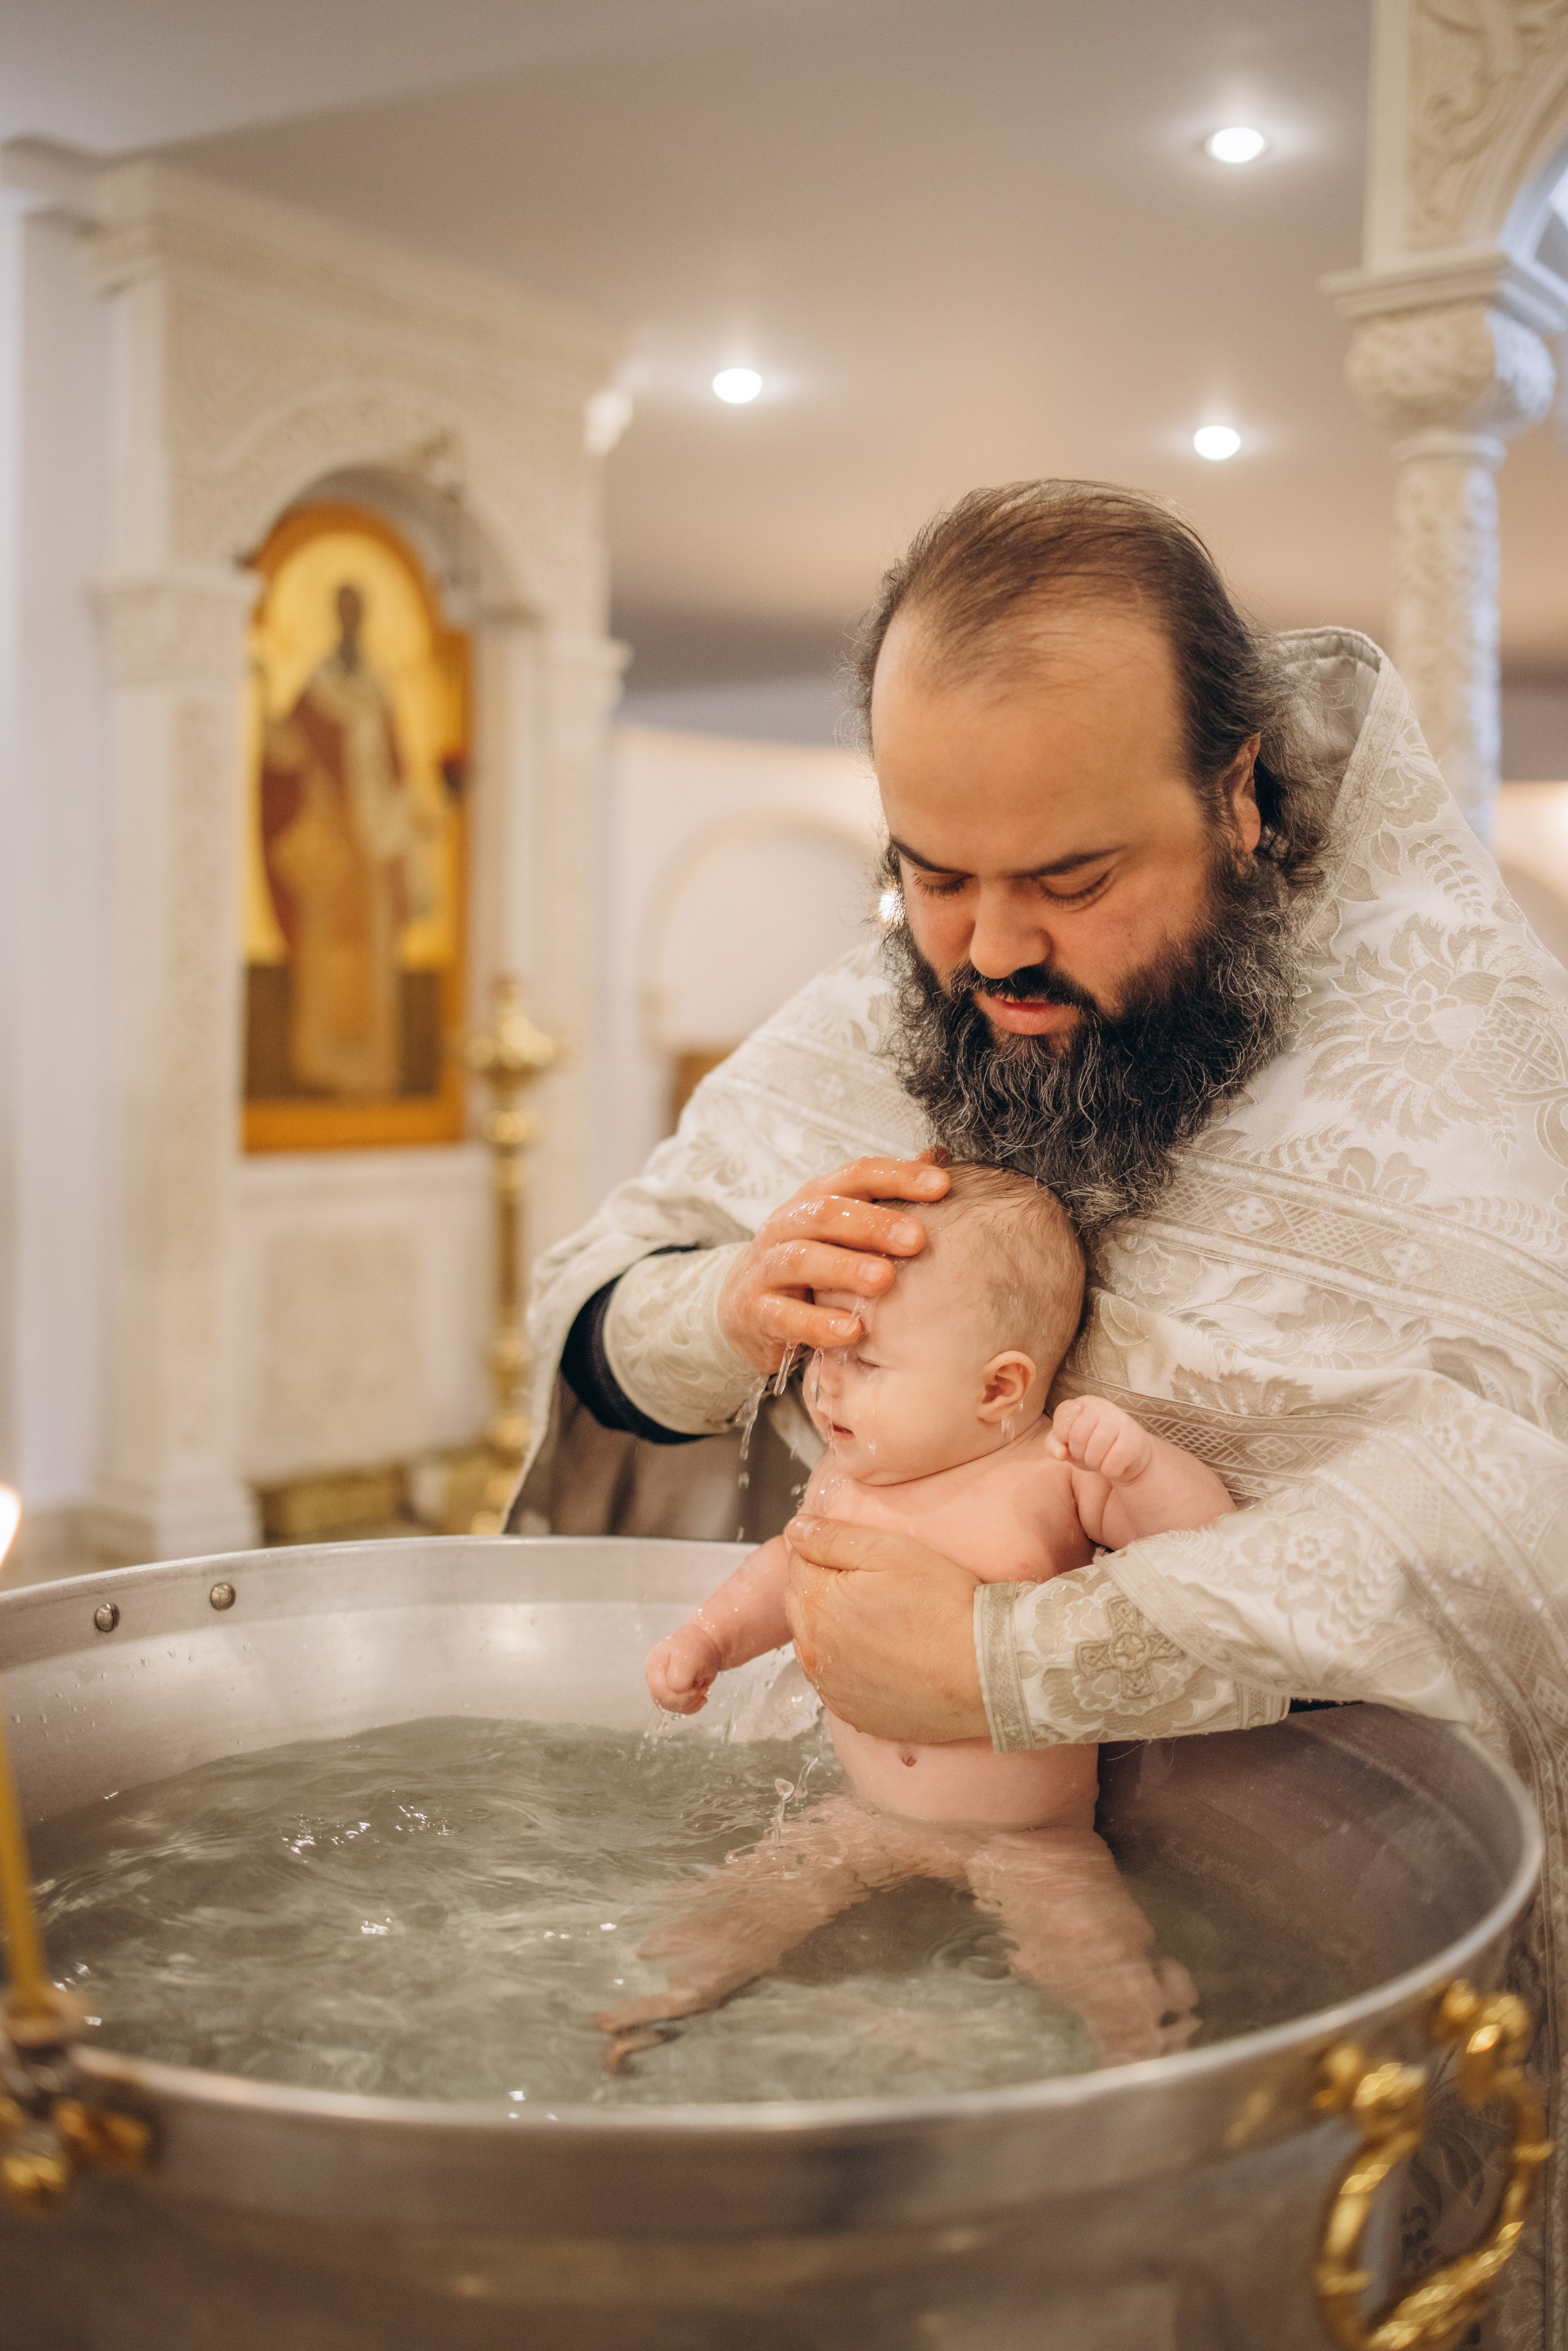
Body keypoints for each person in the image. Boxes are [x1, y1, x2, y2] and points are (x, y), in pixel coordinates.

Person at [515, 482, 1568, 2345]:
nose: (988, 950)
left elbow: (1502, 1526)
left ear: (1237, 795)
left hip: (1291, 1969)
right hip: (849, 1849)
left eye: (1072, 882)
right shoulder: (897, 990)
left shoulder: (1448, 1041)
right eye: (931, 871)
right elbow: (591, 1312)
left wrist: (1016, 1656)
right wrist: (730, 1297)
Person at [597, 1165, 1226, 2069]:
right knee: (735, 1906)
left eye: (866, 1364)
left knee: (1097, 1955)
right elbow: (788, 1567)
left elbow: (1210, 1554)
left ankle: (1147, 2069)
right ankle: (654, 1999)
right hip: (863, 1814)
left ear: (998, 1389)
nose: (825, 1390)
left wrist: (1140, 1467)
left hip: (1029, 1835)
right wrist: (709, 1639)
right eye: (823, 1356)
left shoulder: (1053, 1468)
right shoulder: (846, 1474)